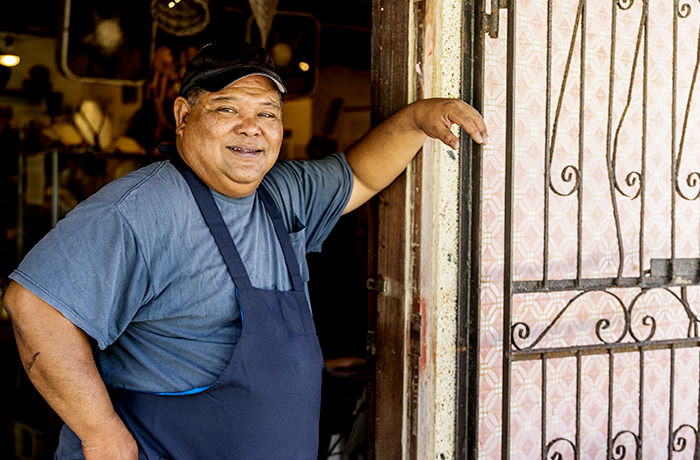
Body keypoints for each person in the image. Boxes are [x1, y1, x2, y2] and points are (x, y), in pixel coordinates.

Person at [3, 42, 488, 459]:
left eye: (267, 113)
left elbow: (359, 175)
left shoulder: (283, 192)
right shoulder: (141, 209)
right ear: (183, 115)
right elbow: (34, 306)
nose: (251, 127)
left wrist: (419, 119)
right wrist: (101, 432)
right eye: (227, 108)